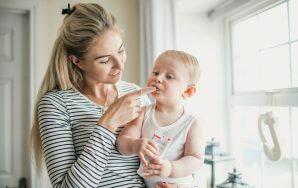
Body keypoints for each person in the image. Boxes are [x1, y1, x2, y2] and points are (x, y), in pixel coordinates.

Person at [30, 3, 156, 187]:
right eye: (105, 60)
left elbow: (156, 159)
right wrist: (109, 123)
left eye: (120, 50)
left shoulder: (135, 93)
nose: (120, 65)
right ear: (77, 61)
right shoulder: (55, 104)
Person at [116, 50, 205, 188]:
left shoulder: (192, 123)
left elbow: (195, 159)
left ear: (188, 91)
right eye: (156, 72)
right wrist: (134, 145)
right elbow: (122, 143)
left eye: (169, 76)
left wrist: (170, 168)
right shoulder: (143, 113)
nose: (158, 78)